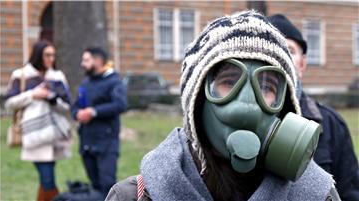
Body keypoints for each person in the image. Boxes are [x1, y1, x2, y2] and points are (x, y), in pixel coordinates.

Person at [106, 11, 340, 201]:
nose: (248, 106)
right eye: (229, 81)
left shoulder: (318, 195)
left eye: (267, 87)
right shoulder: (135, 196)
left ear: (285, 107)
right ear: (196, 100)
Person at [269, 14, 359, 200]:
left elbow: (350, 192)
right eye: (273, 49)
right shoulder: (232, 122)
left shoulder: (332, 125)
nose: (281, 56)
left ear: (302, 64)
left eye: (289, 50)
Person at [5, 41, 72, 201]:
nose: (51, 58)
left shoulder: (57, 76)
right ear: (38, 55)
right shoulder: (21, 75)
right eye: (47, 55)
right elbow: (9, 103)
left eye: (53, 55)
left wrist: (52, 99)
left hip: (56, 134)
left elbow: (68, 106)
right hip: (34, 134)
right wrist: (32, 94)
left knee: (46, 180)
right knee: (48, 179)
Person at [71, 47, 127, 198]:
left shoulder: (114, 81)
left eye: (86, 60)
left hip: (106, 143)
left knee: (107, 185)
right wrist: (78, 113)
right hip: (87, 142)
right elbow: (75, 106)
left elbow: (120, 104)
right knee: (95, 185)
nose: (82, 64)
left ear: (98, 61)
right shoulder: (85, 84)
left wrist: (93, 112)